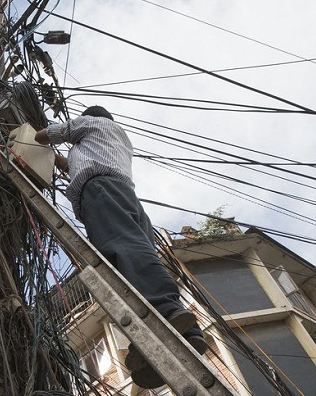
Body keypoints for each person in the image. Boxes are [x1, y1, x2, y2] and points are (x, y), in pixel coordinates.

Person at [34, 105, 207, 389]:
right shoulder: (114, 139)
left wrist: (29, 134)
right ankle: (177, 335)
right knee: (127, 263)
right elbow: (75, 165)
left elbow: (51, 133)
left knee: (123, 251)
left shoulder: (88, 124)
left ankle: (166, 309)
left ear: (91, 117)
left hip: (101, 191)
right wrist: (56, 160)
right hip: (124, 195)